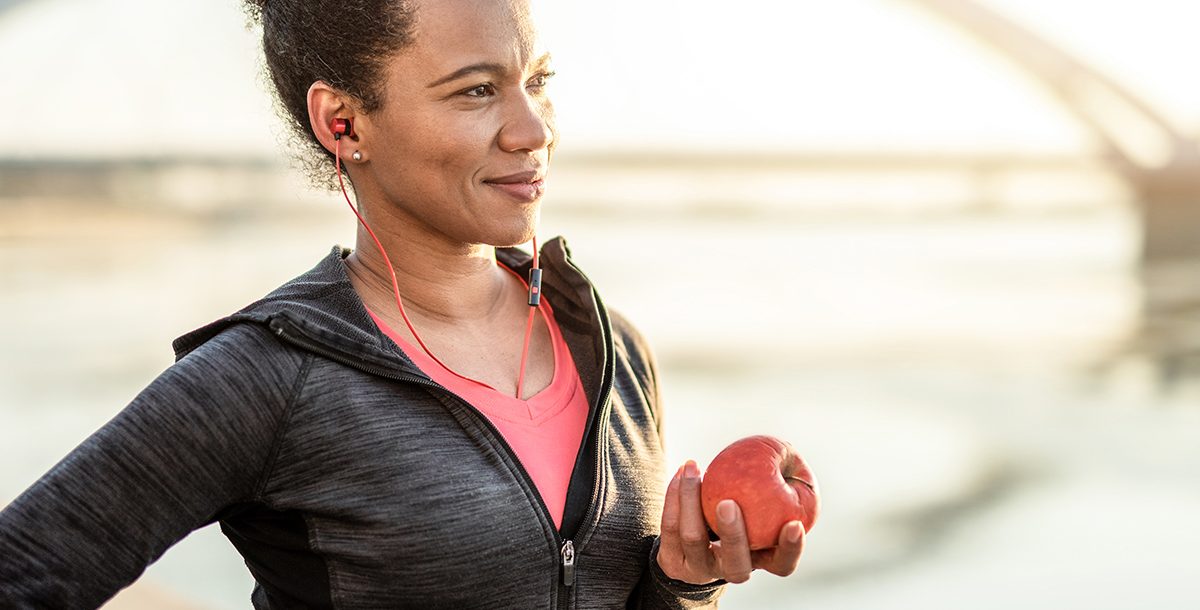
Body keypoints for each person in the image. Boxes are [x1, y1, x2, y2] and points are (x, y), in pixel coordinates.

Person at [0, 0, 805, 607]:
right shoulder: (268, 376)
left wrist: (682, 584)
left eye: (538, 82)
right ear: (343, 122)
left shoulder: (613, 348)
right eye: (476, 91)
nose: (533, 130)